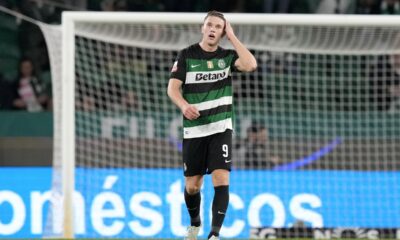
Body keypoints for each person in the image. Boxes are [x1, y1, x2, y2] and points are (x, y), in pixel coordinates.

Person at [167, 10, 257, 240]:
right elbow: (172, 89)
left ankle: (214, 234)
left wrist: (233, 37)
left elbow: (250, 64)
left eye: (218, 26)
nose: (213, 29)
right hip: (195, 129)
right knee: (193, 187)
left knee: (221, 177)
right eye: (210, 25)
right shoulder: (187, 55)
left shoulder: (227, 57)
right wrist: (184, 105)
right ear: (202, 28)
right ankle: (195, 222)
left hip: (221, 126)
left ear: (222, 31)